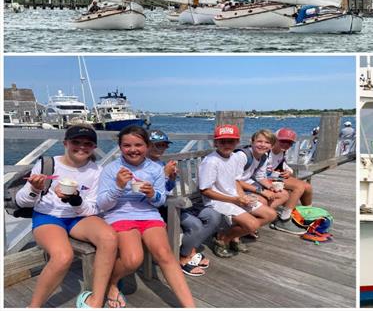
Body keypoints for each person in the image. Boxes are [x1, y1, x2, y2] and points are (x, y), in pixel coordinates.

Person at [15, 125, 117, 308]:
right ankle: (34, 306)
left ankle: (96, 299)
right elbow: (22, 202)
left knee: (109, 238)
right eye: (75, 142)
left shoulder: (96, 171)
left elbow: (93, 208)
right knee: (63, 257)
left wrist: (75, 200)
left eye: (87, 143)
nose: (81, 147)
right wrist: (34, 189)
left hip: (79, 217)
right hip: (48, 217)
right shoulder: (47, 164)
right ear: (65, 143)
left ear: (94, 147)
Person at [98, 125, 194, 308]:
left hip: (149, 214)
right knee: (133, 259)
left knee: (165, 255)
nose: (133, 149)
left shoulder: (155, 168)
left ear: (147, 146)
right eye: (127, 145)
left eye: (138, 145)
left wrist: (152, 194)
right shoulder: (111, 169)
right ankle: (111, 282)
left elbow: (159, 201)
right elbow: (102, 204)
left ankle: (190, 306)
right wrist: (118, 186)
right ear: (120, 147)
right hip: (120, 215)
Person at [147, 129, 220, 277]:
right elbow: (150, 193)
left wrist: (172, 179)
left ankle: (188, 250)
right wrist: (164, 175)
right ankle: (183, 258)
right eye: (155, 145)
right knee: (195, 224)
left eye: (163, 145)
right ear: (145, 145)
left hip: (171, 201)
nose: (160, 148)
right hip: (157, 207)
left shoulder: (160, 163)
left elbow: (167, 188)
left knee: (213, 217)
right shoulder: (143, 166)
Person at [199, 125, 276, 257]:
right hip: (217, 201)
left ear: (237, 142)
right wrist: (235, 199)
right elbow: (205, 191)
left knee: (271, 214)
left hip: (233, 196)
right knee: (252, 224)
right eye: (222, 141)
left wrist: (241, 197)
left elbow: (236, 180)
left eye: (231, 141)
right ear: (215, 143)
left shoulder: (234, 157)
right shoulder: (211, 161)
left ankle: (233, 236)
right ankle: (223, 238)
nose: (227, 144)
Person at [267, 127, 314, 234]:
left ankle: (306, 214)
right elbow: (261, 171)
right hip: (266, 179)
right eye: (283, 141)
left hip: (276, 176)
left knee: (308, 187)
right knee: (298, 187)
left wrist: (289, 171)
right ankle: (284, 219)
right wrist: (277, 173)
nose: (286, 144)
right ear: (275, 140)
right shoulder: (267, 152)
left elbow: (283, 164)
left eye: (289, 143)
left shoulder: (282, 152)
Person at [235, 129, 290, 215]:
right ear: (252, 142)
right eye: (259, 141)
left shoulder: (263, 156)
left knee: (284, 194)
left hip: (248, 182)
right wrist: (262, 191)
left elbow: (260, 177)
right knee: (263, 200)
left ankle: (262, 214)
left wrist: (270, 187)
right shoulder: (242, 156)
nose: (263, 145)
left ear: (271, 146)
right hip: (235, 186)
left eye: (267, 142)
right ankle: (259, 215)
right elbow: (235, 181)